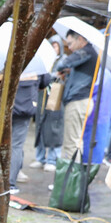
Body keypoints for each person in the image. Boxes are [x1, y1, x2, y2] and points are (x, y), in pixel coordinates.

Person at [54, 30, 98, 157]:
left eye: (70, 43)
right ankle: (73, 168)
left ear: (80, 39)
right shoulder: (90, 54)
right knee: (75, 141)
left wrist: (66, 68)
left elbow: (62, 64)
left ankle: (72, 170)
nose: (69, 47)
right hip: (82, 100)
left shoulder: (85, 52)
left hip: (77, 101)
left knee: (71, 144)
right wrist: (70, 71)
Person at [9, 73, 51, 194]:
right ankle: (10, 183)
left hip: (6, 107)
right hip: (24, 108)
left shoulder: (2, 63)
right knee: (16, 146)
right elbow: (46, 80)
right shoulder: (35, 65)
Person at [32, 36, 65, 172]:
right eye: (52, 45)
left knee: (54, 127)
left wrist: (53, 76)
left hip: (56, 93)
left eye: (56, 46)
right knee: (40, 125)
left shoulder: (64, 61)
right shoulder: (44, 61)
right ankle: (40, 158)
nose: (54, 48)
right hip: (42, 94)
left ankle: (52, 159)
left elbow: (61, 77)